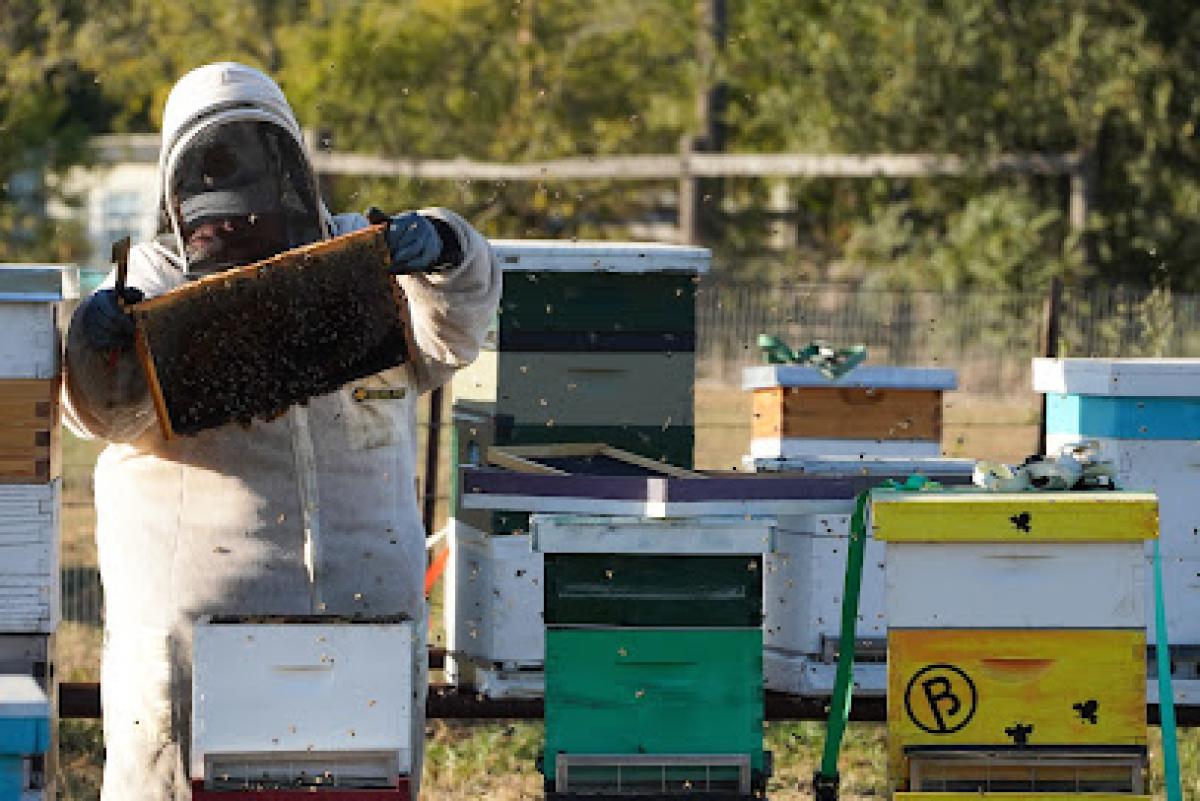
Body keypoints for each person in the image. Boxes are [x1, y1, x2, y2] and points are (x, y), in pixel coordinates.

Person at [62, 62, 501, 800]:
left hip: (365, 613)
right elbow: (96, 413)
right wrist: (95, 342)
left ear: (287, 179)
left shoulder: (362, 258)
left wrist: (446, 249)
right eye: (213, 216)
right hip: (200, 631)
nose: (231, 228)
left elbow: (453, 333)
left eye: (248, 209)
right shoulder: (150, 282)